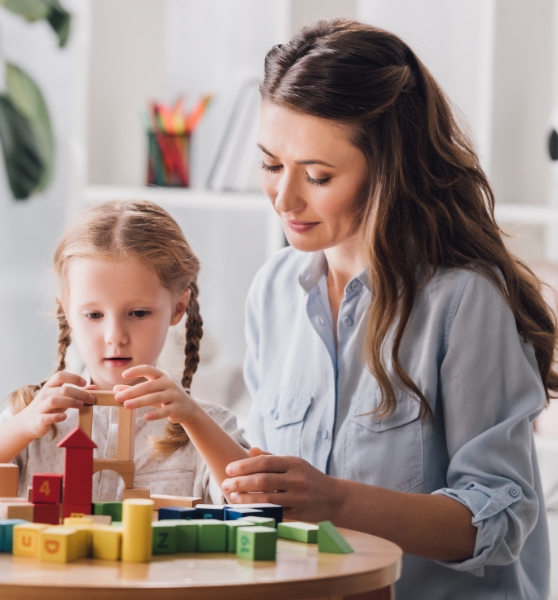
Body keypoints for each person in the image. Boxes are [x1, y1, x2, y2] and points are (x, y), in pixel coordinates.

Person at [220, 18, 553, 599]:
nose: (284, 198)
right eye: (271, 165)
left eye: (318, 175)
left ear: (387, 171)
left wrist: (335, 500)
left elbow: (498, 523)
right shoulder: (273, 289)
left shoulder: (464, 300)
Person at [0, 200, 249, 504]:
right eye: (94, 315)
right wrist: (24, 426)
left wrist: (192, 417)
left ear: (178, 307)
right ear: (67, 311)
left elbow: (253, 501)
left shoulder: (207, 425)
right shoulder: (34, 416)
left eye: (138, 313)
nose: (115, 336)